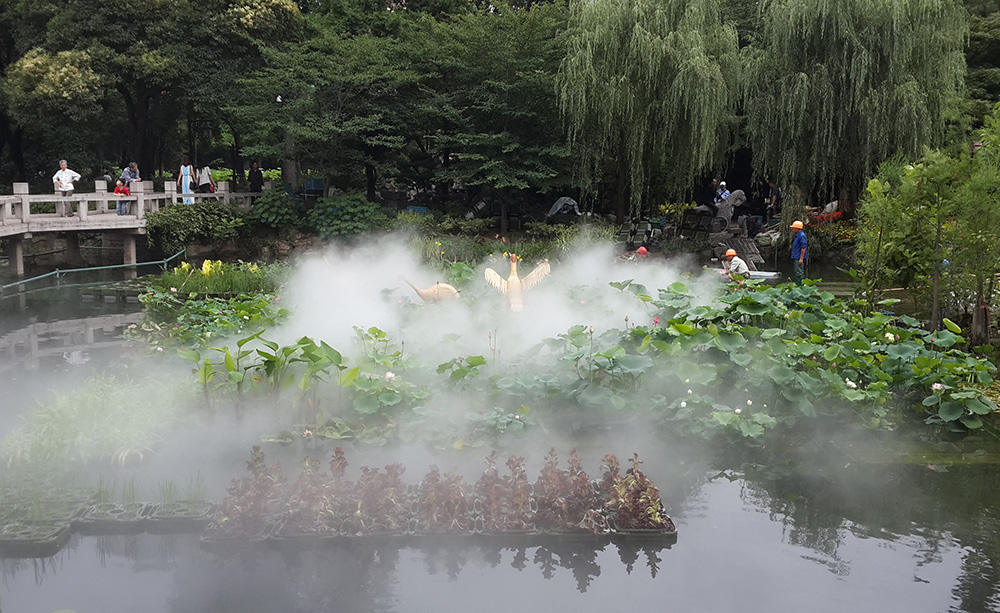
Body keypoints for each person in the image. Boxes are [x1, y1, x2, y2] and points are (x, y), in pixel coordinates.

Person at [790, 220, 807, 285]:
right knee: (797, 272)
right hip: (796, 256)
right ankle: (798, 284)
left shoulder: (801, 236)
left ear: (797, 228)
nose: (793, 230)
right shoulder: (798, 235)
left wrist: (801, 258)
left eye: (794, 228)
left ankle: (800, 285)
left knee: (799, 272)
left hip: (798, 257)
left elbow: (803, 247)